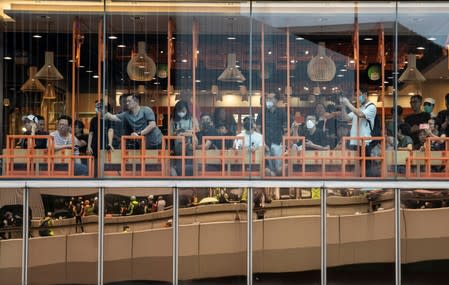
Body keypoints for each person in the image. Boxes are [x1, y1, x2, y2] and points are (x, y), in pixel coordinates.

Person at [256, 92, 287, 176]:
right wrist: (262, 142)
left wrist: (284, 142)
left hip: (277, 142)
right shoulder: (262, 112)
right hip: (266, 142)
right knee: (268, 166)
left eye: (270, 98)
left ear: (276, 101)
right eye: (267, 98)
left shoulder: (281, 112)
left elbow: (285, 128)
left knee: (278, 167)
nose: (268, 100)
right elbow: (258, 128)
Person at [171, 100, 198, 176]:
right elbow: (170, 133)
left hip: (190, 142)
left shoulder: (192, 118)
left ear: (187, 110)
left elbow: (197, 129)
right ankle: (179, 172)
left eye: (183, 111)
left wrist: (187, 132)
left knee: (190, 148)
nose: (181, 113)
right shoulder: (173, 120)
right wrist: (177, 132)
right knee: (181, 152)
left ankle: (188, 172)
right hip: (178, 144)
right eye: (179, 111)